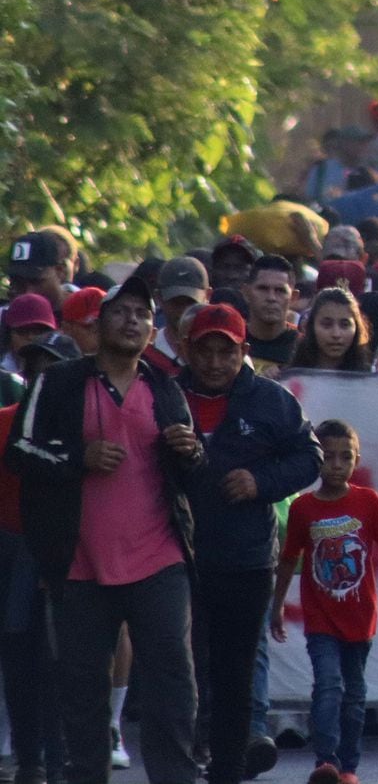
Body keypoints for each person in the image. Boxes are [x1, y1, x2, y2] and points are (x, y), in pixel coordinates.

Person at [6, 275, 204, 784]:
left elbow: (192, 472)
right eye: (120, 311)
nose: (132, 320)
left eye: (141, 313)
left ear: (152, 327)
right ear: (98, 323)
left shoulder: (166, 388)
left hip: (159, 558)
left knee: (172, 681)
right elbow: (19, 452)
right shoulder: (61, 382)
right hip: (79, 564)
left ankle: (176, 777)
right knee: (81, 689)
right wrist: (79, 456)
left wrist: (190, 452)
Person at [178, 303, 322, 784]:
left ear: (245, 352)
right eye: (206, 351)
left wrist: (261, 482)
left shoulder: (271, 401)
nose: (215, 362)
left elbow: (310, 458)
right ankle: (184, 757)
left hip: (245, 557)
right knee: (183, 666)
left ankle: (228, 769)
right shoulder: (164, 395)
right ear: (187, 350)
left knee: (236, 670)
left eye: (226, 351)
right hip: (171, 555)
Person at [272, 420, 378, 784]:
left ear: (357, 461)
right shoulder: (303, 508)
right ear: (316, 460)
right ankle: (324, 762)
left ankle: (348, 768)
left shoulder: (367, 501)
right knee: (328, 685)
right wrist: (278, 604)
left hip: (360, 618)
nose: (337, 464)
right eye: (328, 457)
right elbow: (287, 559)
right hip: (321, 618)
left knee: (354, 696)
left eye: (346, 457)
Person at [0, 330, 81, 784]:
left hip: (71, 551)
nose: (39, 377)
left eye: (51, 369)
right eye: (33, 369)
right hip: (13, 551)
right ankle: (30, 760)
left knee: (63, 662)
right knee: (19, 657)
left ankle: (61, 759)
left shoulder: (88, 426)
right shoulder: (4, 422)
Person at [286, 287, 375, 372]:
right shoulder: (290, 377)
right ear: (311, 326)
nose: (336, 334)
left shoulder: (370, 377)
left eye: (344, 325)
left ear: (356, 328)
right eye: (327, 325)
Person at [243, 256, 301, 372]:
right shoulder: (233, 341)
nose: (271, 298)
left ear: (293, 297)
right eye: (263, 289)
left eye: (280, 291)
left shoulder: (304, 348)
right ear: (246, 293)